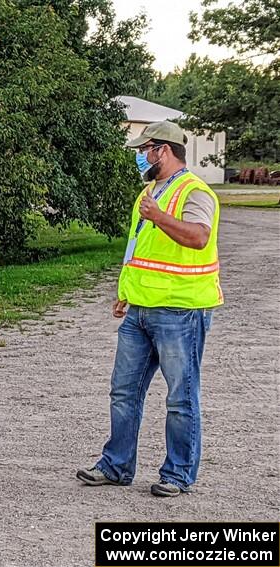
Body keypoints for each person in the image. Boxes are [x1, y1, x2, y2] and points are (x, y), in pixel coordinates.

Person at [77, 120, 223, 497]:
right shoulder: (149, 192)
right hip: (140, 308)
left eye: (146, 149)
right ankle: (116, 465)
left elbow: (198, 237)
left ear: (164, 150)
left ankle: (177, 474)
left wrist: (158, 216)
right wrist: (125, 289)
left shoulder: (196, 191)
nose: (142, 156)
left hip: (180, 310)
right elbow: (138, 247)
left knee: (180, 396)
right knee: (123, 392)